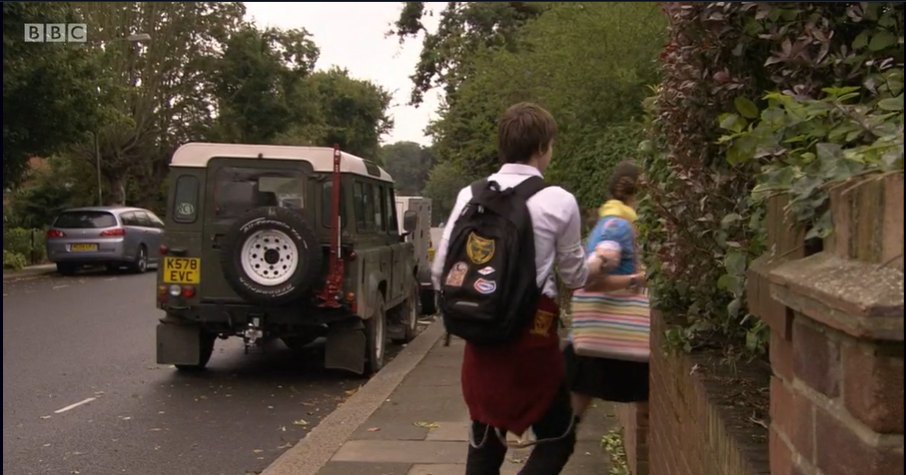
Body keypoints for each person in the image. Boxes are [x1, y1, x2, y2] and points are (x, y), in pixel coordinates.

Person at [431, 102, 612, 474]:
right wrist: (599, 263)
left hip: (481, 336)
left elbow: (440, 272)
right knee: (558, 436)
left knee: (484, 435)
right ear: (543, 146)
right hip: (531, 339)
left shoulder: (471, 195)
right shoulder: (559, 201)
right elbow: (575, 276)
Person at [564, 161, 649, 420]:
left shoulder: (610, 220)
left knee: (569, 421)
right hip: (616, 329)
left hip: (601, 334)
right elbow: (594, 276)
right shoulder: (617, 225)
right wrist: (638, 280)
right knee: (648, 407)